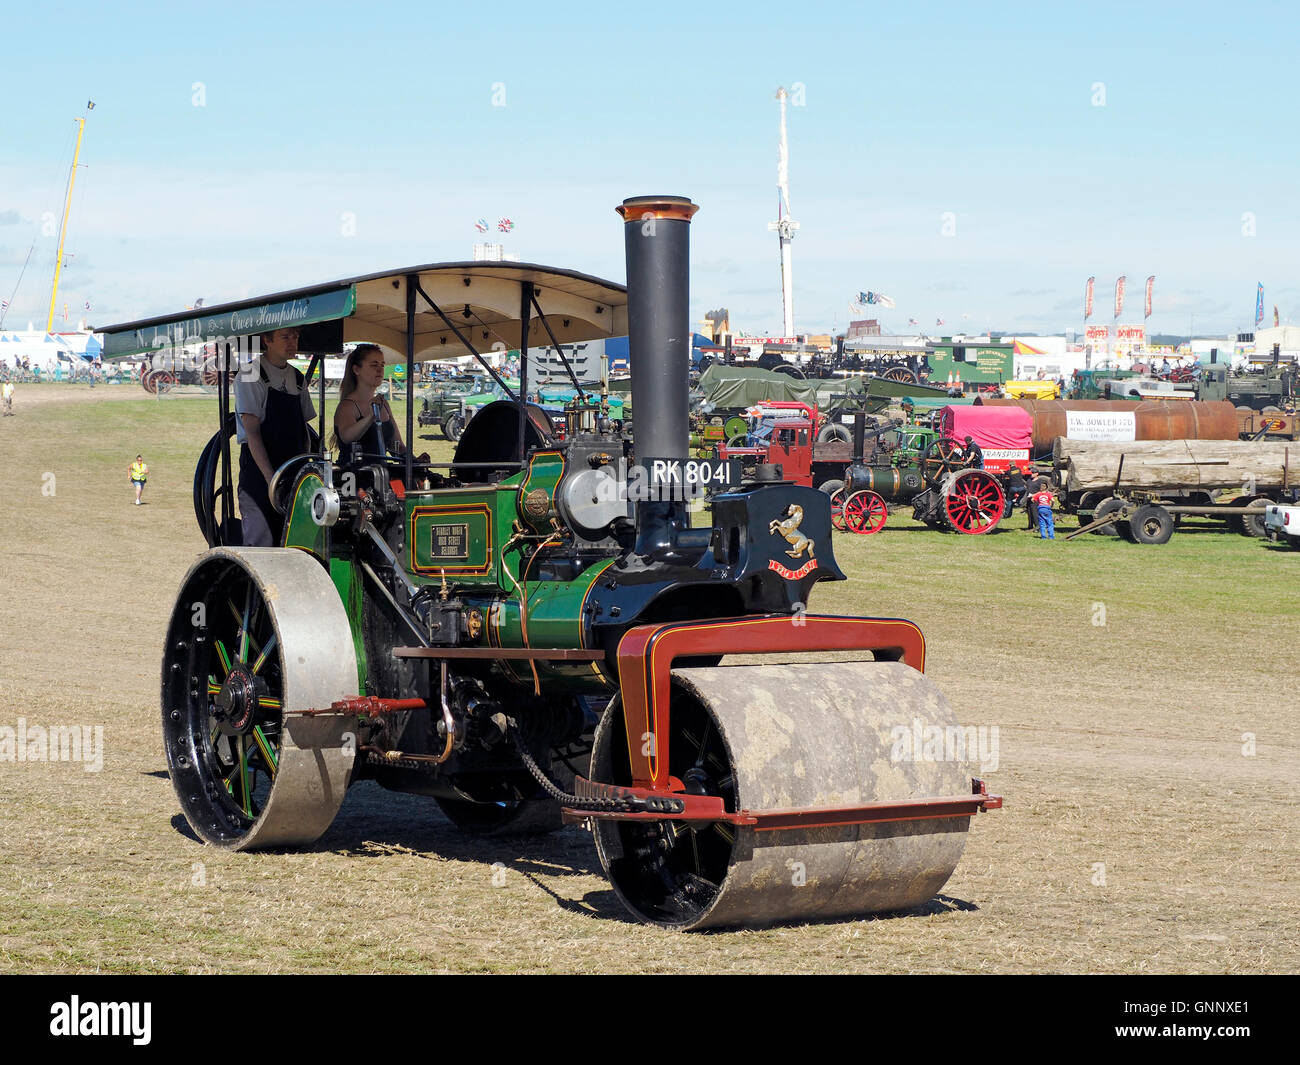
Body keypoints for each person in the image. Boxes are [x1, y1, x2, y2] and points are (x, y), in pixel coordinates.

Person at [235, 327, 315, 546]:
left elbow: (304, 431)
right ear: (267, 340)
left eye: (296, 336)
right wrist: (272, 481)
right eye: (285, 337)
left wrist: (304, 470)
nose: (292, 342)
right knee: (263, 544)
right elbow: (252, 432)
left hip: (292, 472)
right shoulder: (250, 374)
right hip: (261, 475)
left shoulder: (297, 378)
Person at [331, 343, 427, 471]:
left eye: (382, 365)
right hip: (353, 478)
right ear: (356, 370)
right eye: (374, 365)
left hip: (381, 476)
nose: (380, 370)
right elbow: (347, 436)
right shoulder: (347, 406)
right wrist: (371, 416)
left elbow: (396, 447)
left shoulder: (383, 404)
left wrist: (415, 460)